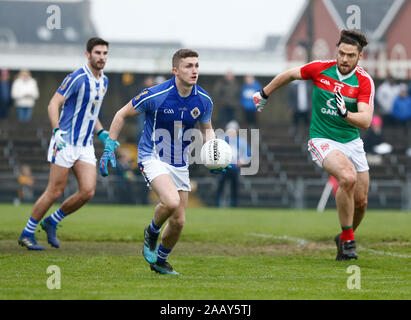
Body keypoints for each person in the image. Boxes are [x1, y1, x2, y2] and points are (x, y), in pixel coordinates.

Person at [99, 49, 226, 275]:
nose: (194, 70)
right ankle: (151, 232)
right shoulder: (155, 95)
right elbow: (120, 114)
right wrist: (110, 145)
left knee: (178, 222)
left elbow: (207, 131)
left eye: (196, 65)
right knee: (171, 201)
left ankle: (159, 261)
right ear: (175, 70)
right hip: (152, 156)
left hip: (180, 163)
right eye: (188, 66)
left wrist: (215, 155)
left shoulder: (204, 100)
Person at [253, 29, 375, 261]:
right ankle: (349, 242)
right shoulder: (320, 68)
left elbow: (366, 121)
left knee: (361, 201)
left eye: (350, 55)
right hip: (322, 139)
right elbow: (290, 74)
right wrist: (264, 93)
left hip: (351, 141)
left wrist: (345, 113)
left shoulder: (364, 81)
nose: (344, 59)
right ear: (336, 51)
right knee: (347, 178)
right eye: (341, 53)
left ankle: (343, 236)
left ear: (360, 57)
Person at [18, 37, 110, 250]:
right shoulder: (76, 78)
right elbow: (53, 103)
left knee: (88, 191)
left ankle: (52, 221)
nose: (101, 57)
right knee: (55, 191)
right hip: (65, 142)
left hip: (85, 144)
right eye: (97, 53)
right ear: (88, 54)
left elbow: (91, 113)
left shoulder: (103, 81)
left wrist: (102, 133)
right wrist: (56, 130)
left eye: (105, 53)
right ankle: (27, 233)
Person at [216, 120, 250, 207]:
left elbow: (248, 153)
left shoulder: (241, 141)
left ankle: (233, 203)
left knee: (234, 186)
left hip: (234, 167)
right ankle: (218, 202)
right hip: (223, 166)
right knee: (220, 184)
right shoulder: (221, 139)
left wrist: (242, 161)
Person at [391, 84, 411, 156]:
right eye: (402, 92)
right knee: (399, 135)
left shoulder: (409, 99)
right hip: (398, 121)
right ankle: (399, 149)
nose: (403, 93)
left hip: (407, 121)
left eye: (404, 92)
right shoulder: (397, 100)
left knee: (408, 135)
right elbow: (393, 111)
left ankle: (407, 148)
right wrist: (398, 117)